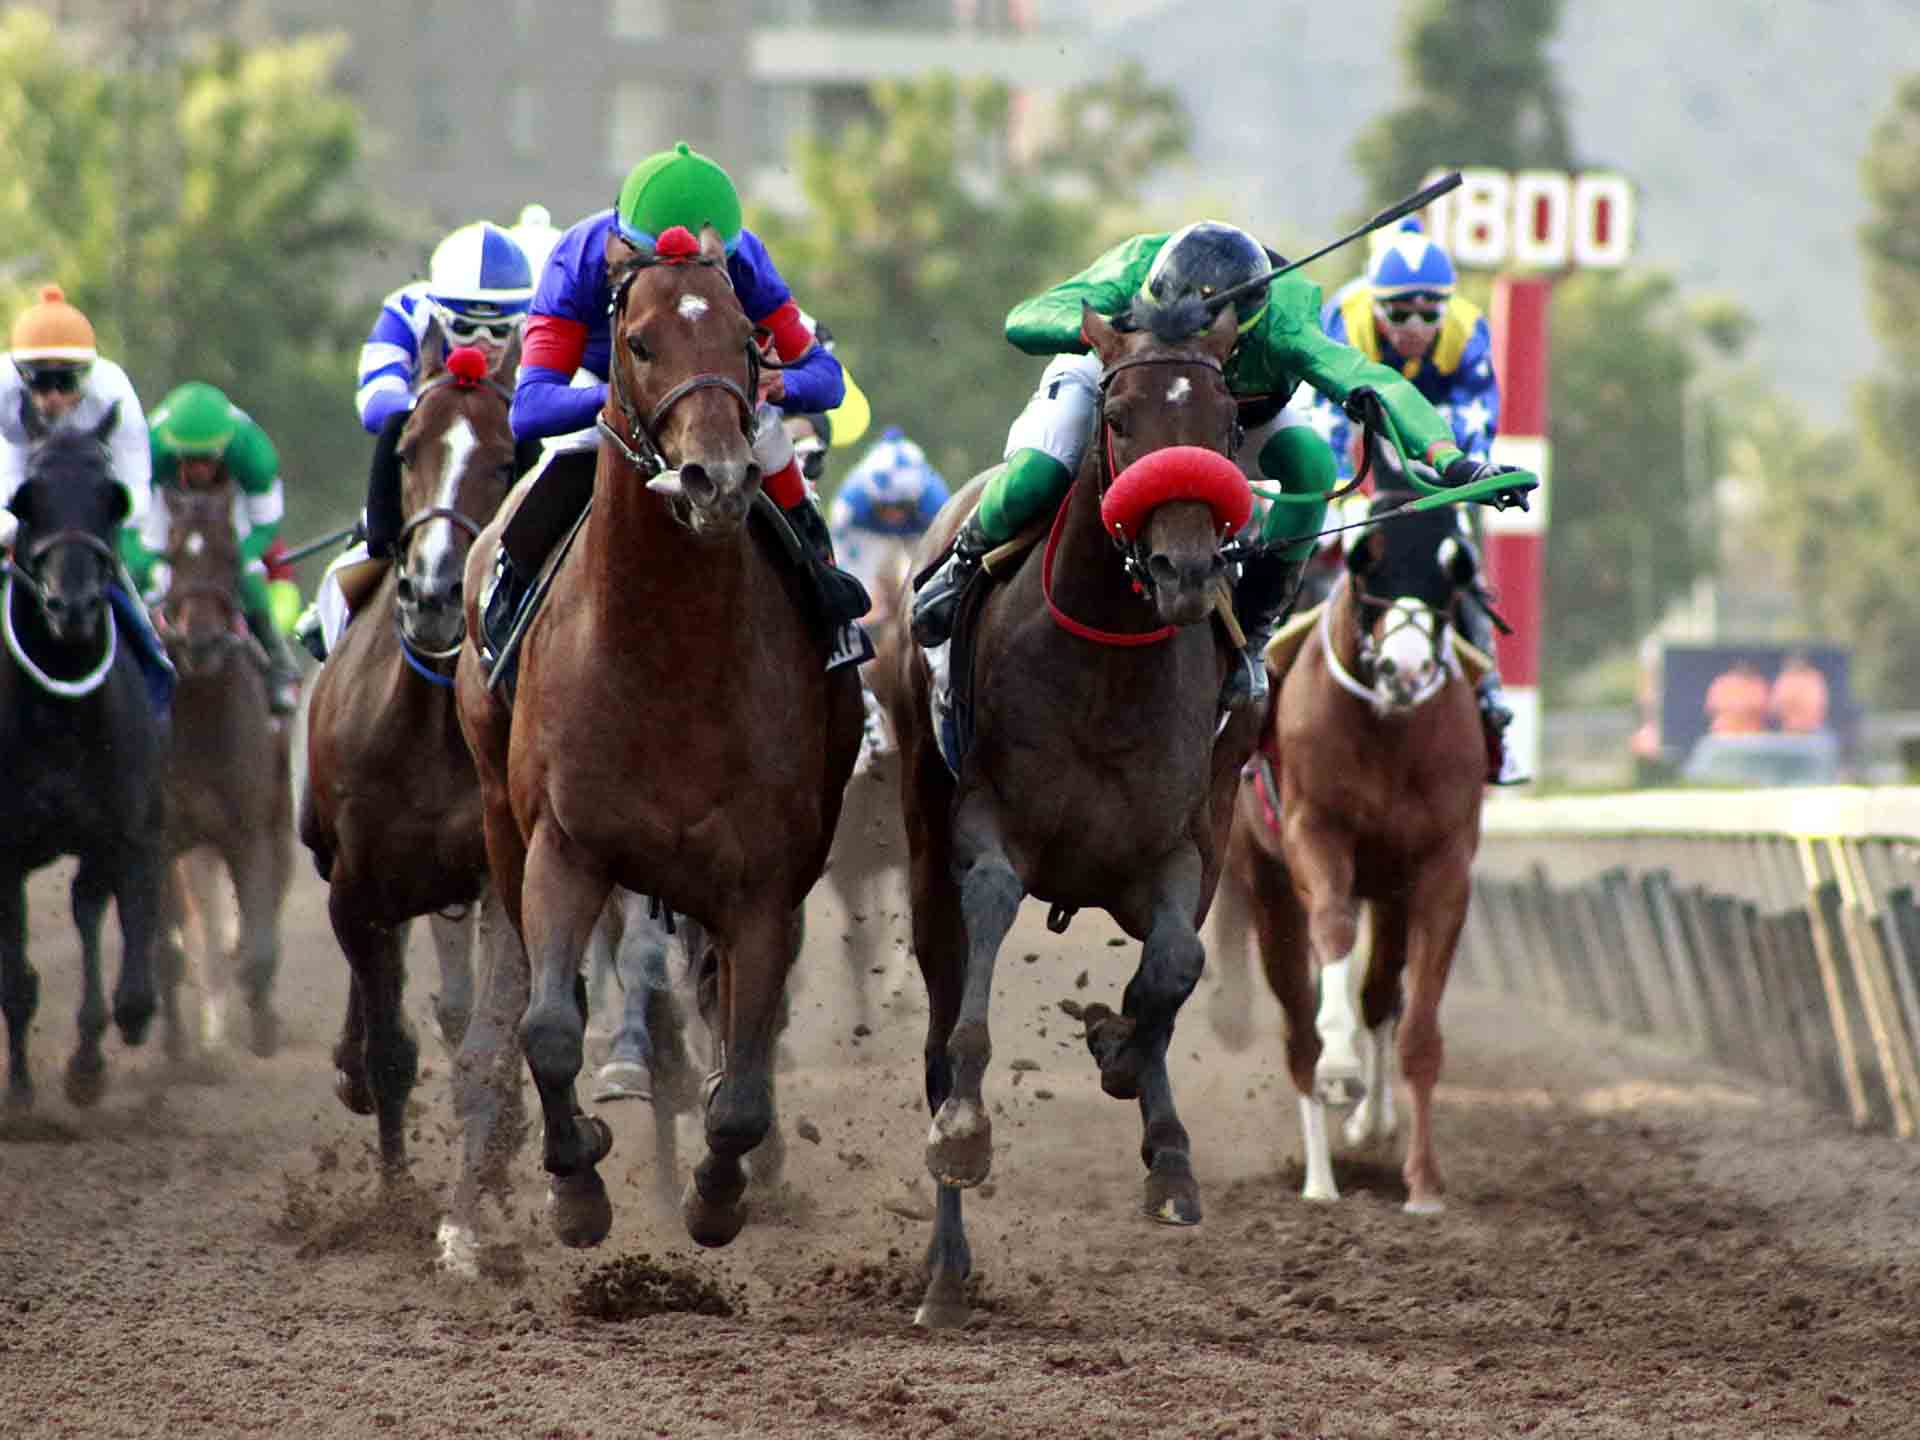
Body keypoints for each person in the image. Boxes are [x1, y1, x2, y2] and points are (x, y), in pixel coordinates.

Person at [910, 220, 1525, 714]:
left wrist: (1448, 459)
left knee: (1311, 463)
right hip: (1122, 383)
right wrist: (1116, 327)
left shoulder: (1284, 320)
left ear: (1246, 325)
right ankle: (963, 564)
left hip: (1231, 409)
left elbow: (1369, 378)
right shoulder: (1133, 269)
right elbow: (1022, 320)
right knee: (1041, 472)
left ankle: (1255, 628)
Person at [482, 141, 868, 658]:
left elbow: (829, 380)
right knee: (563, 454)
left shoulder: (745, 258)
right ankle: (510, 595)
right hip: (612, 384)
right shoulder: (576, 259)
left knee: (772, 437)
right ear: (622, 249)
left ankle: (826, 592)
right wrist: (615, 397)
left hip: (713, 389)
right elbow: (529, 409)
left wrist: (783, 384)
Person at [1310, 222, 1523, 782]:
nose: (1415, 327)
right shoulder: (1345, 319)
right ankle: (1257, 676)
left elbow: (1477, 424)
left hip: (1437, 427)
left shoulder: (1467, 331)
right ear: (1375, 306)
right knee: (1312, 541)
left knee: (1460, 561)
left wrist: (1462, 488)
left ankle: (1493, 704)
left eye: (1430, 313)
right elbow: (1326, 419)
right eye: (1399, 313)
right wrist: (1337, 499)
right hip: (1358, 409)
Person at [0, 284, 173, 711]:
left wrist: (95, 532)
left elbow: (135, 491)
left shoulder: (114, 394)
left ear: (88, 375)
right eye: (41, 381)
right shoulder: (3, 393)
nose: (54, 396)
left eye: (66, 381)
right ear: (21, 375)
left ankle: (155, 668)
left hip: (87, 496)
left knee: (118, 575)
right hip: (15, 467)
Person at [355, 220, 536, 564]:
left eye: (498, 332)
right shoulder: (407, 310)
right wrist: (439, 413)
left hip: (499, 472)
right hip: (424, 477)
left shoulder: (539, 326)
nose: (482, 343)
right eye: (465, 328)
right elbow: (376, 402)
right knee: (341, 579)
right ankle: (329, 612)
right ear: (439, 314)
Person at [135, 382, 302, 715]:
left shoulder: (253, 453)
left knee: (249, 574)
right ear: (173, 450)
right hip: (162, 500)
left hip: (232, 501)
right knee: (144, 578)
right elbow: (129, 530)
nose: (198, 469)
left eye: (207, 459)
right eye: (189, 459)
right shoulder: (148, 449)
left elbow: (265, 527)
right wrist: (150, 564)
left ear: (224, 449)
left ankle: (278, 665)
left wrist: (234, 558)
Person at [1769, 650, 1830, 734]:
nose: (1795, 663)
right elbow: (1775, 707)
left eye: (1798, 660)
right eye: (1792, 661)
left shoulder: (1814, 678)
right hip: (1789, 730)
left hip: (1812, 730)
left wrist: (1793, 702)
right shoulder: (1785, 679)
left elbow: (1815, 706)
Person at [1704, 659, 1769, 735]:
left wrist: (1743, 708)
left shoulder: (1758, 683)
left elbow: (1765, 708)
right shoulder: (1721, 683)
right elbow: (1711, 708)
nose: (1743, 667)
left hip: (1752, 734)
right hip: (1724, 732)